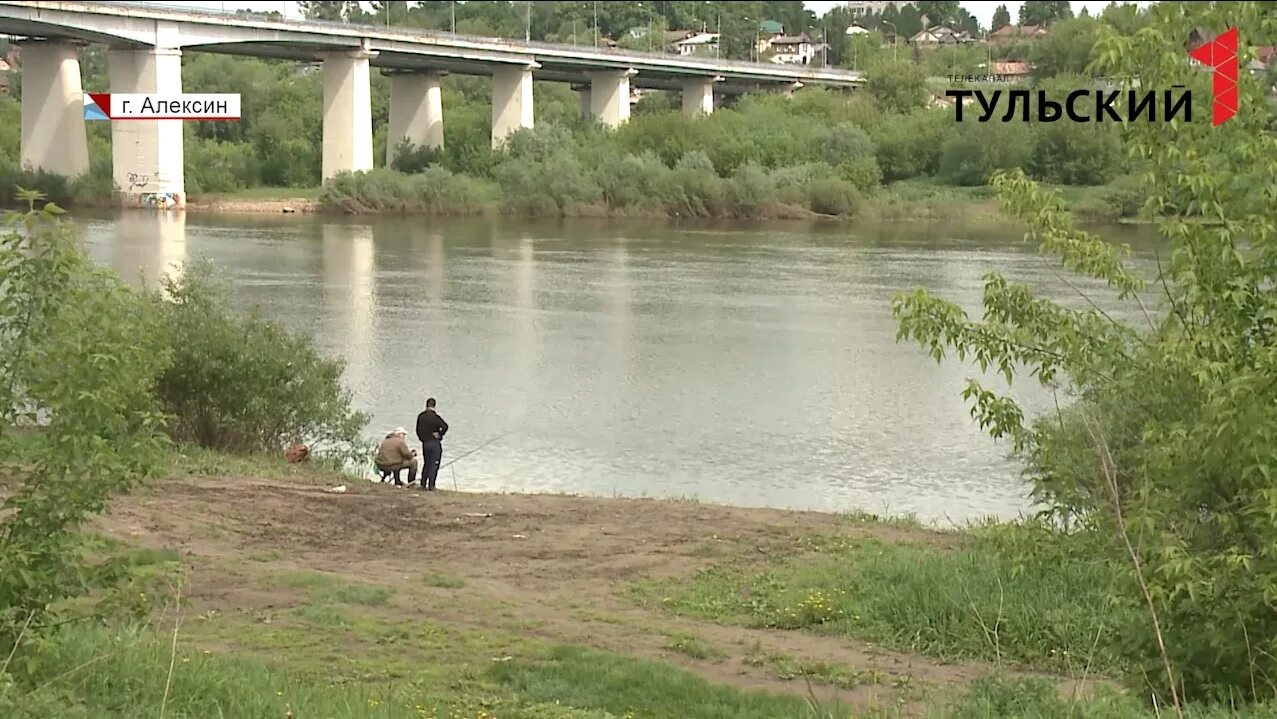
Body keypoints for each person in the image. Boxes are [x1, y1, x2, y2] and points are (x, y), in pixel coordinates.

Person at [415, 397, 448, 491]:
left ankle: (423, 484)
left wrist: (423, 439)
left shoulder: (421, 416)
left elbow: (418, 430)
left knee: (426, 463)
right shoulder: (435, 417)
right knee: (434, 464)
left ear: (426, 405)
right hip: (434, 443)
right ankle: (431, 485)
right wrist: (440, 434)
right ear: (434, 406)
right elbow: (445, 426)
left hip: (425, 443)